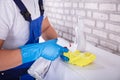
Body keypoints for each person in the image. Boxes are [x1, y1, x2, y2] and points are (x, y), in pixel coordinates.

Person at [0, 0, 68, 80]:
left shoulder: (38, 2)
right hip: (8, 75)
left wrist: (59, 44)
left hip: (30, 73)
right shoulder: (5, 4)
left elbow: (45, 28)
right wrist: (38, 50)